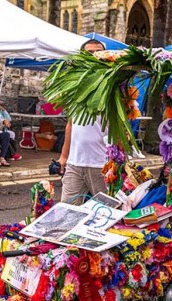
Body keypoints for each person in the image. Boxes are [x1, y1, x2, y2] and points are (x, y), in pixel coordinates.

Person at [59, 39, 109, 205]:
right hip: (75, 163)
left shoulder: (112, 85)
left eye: (99, 52)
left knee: (106, 211)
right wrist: (63, 156)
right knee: (67, 209)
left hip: (102, 164)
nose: (94, 56)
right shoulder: (74, 87)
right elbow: (71, 124)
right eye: (89, 53)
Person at [0, 95, 22, 161]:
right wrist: (4, 122)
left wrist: (3, 110)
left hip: (3, 127)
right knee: (7, 134)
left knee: (11, 134)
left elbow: (9, 119)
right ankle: (11, 154)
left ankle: (10, 154)